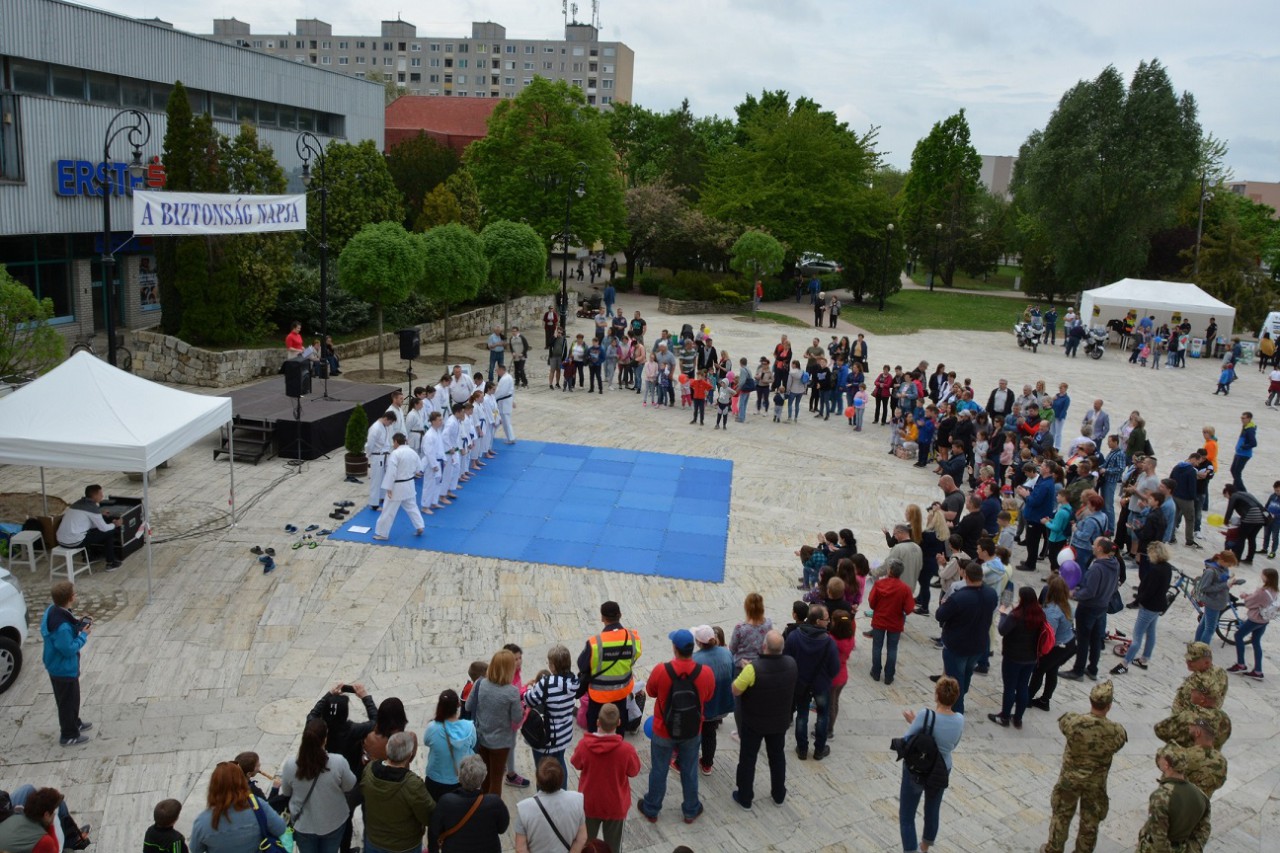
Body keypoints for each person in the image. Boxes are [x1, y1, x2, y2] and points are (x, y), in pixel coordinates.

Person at [638, 629, 715, 824]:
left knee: (659, 770)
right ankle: (691, 809)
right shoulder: (705, 672)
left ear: (675, 648)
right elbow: (708, 696)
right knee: (689, 770)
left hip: (663, 729)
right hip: (692, 730)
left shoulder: (661, 670)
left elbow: (651, 691)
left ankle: (652, 808)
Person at [1041, 680, 1128, 853]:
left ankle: (1053, 849)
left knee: (1061, 815)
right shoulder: (1116, 731)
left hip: (1069, 780)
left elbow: (1063, 724)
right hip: (1095, 784)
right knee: (1090, 822)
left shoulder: (1073, 721)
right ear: (1109, 706)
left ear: (1090, 701)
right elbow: (1118, 744)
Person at [731, 630, 798, 810]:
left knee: (748, 759)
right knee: (777, 758)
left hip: (754, 722)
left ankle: (745, 797)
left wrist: (747, 670)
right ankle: (779, 795)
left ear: (764, 646)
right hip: (779, 722)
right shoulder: (791, 664)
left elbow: (735, 690)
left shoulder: (752, 669)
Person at [897, 677, 964, 853]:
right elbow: (953, 745)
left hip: (918, 769)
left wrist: (914, 722)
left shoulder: (925, 716)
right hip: (941, 769)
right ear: (956, 698)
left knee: (907, 815)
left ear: (936, 695)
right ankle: (925, 847)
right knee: (932, 810)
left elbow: (908, 739)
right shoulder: (959, 720)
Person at [281, 718, 358, 853]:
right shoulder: (338, 762)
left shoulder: (290, 765)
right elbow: (349, 786)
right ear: (325, 739)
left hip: (303, 824)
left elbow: (286, 792)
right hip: (333, 821)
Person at [570, 702, 639, 852]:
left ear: (597, 722)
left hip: (589, 803)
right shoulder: (627, 750)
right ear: (619, 723)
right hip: (615, 805)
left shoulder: (584, 745)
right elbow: (634, 771)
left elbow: (575, 763)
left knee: (586, 846)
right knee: (612, 848)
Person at [934, 562, 997, 715]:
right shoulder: (991, 594)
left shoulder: (959, 597)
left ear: (966, 576)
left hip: (957, 646)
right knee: (967, 672)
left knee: (955, 680)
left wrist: (944, 605)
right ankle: (963, 692)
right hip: (978, 644)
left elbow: (940, 615)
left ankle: (957, 711)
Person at [189, 762, 288, 852]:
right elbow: (280, 829)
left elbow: (195, 849)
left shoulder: (202, 821)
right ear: (241, 781)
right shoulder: (257, 805)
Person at [783, 605, 839, 760]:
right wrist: (825, 678)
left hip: (801, 686)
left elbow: (787, 661)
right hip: (821, 687)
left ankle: (802, 750)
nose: (829, 622)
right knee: (822, 716)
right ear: (818, 621)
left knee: (802, 715)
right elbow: (835, 668)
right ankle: (819, 750)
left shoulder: (794, 636)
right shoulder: (828, 642)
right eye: (827, 619)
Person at [363, 732, 435, 853]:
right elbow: (429, 816)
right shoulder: (413, 785)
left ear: (387, 749)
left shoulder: (369, 770)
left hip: (374, 840)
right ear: (410, 755)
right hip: (404, 846)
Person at [40, 580, 92, 746]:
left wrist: (77, 624)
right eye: (74, 593)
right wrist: (83, 636)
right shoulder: (61, 627)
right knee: (67, 702)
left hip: (59, 666)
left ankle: (74, 722)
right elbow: (68, 649)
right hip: (63, 669)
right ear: (71, 598)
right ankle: (68, 735)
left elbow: (66, 626)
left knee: (72, 699)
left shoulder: (53, 610)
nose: (75, 595)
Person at [465, 649, 523, 796]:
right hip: (500, 744)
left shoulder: (480, 683)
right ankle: (493, 806)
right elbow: (517, 718)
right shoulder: (512, 692)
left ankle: (483, 802)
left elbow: (468, 706)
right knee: (496, 780)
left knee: (485, 777)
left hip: (481, 739)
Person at [988, 586, 1046, 729]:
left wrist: (1003, 614)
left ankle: (1005, 717)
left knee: (1010, 687)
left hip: (1013, 657)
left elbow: (1002, 630)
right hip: (1031, 658)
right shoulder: (1040, 615)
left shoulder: (1016, 615)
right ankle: (1018, 718)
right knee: (1023, 687)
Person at [522, 645, 581, 784]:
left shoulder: (546, 683)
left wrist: (529, 690)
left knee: (542, 770)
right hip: (563, 735)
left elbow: (528, 700)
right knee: (560, 764)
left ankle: (543, 794)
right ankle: (562, 790)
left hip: (546, 736)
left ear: (553, 666)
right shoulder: (574, 682)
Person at [1112, 542, 1174, 674]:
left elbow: (1148, 591)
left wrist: (1138, 601)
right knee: (1151, 633)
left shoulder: (1155, 571)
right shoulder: (1167, 567)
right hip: (1158, 605)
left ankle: (1125, 664)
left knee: (1137, 636)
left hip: (1148, 607)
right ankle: (1144, 659)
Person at [426, 755, 509, 853]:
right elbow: (502, 828)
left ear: (459, 776)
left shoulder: (446, 802)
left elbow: (434, 831)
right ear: (483, 777)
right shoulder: (494, 802)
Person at [1135, 749, 1211, 853]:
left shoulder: (1161, 796)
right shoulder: (1201, 795)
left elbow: (1159, 838)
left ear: (1166, 765)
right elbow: (1203, 830)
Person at [513, 758, 586, 853]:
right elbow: (582, 838)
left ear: (538, 781)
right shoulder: (577, 800)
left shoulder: (524, 809)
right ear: (562, 778)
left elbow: (520, 849)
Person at [1028, 576, 1077, 712]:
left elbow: (1048, 635)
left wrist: (1039, 651)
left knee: (1038, 671)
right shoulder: (1068, 606)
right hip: (1068, 644)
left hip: (1056, 647)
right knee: (1052, 670)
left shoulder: (1052, 611)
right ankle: (1045, 700)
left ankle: (1028, 698)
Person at [691, 625, 734, 775]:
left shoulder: (696, 659)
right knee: (710, 733)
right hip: (721, 705)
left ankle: (687, 759)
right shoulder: (727, 653)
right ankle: (707, 764)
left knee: (695, 733)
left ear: (699, 642)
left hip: (703, 707)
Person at [423, 689, 476, 804]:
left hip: (435, 781)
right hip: (459, 780)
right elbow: (472, 744)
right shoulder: (469, 727)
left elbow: (426, 742)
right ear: (458, 705)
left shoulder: (432, 728)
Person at [56, 484, 123, 570]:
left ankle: (89, 557)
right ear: (94, 496)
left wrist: (99, 514)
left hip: (61, 540)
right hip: (74, 542)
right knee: (109, 532)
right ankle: (111, 563)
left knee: (88, 531)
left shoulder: (77, 504)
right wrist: (115, 524)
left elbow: (86, 524)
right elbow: (104, 528)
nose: (102, 496)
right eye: (100, 494)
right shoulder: (92, 508)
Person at [373, 433, 425, 541]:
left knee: (388, 511)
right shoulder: (412, 452)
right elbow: (419, 469)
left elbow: (391, 472)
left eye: (393, 442)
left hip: (397, 486)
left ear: (396, 441)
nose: (393, 445)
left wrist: (389, 487)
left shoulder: (395, 453)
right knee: (412, 507)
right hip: (410, 485)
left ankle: (382, 534)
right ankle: (420, 526)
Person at [869, 560, 913, 685]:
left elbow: (871, 603)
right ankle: (889, 676)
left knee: (877, 646)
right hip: (895, 622)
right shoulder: (905, 589)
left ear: (889, 570)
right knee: (892, 648)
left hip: (879, 620)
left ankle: (876, 672)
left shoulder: (879, 584)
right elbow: (909, 609)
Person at [1229, 567, 1278, 679]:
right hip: (1264, 620)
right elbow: (1260, 600)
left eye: (1263, 574)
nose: (1261, 576)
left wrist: (1245, 597)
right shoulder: (1274, 590)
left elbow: (1249, 603)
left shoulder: (1262, 591)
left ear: (1267, 577)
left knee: (1238, 636)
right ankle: (1258, 671)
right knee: (1256, 642)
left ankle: (1241, 664)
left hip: (1255, 619)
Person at [1192, 551, 1239, 646]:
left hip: (1218, 601)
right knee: (1210, 629)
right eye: (1229, 564)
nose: (1229, 567)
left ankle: (1196, 646)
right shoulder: (1210, 571)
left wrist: (1229, 580)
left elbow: (1219, 581)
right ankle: (1202, 650)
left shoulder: (1223, 568)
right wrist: (1225, 584)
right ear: (1222, 560)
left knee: (1203, 625)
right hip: (1213, 603)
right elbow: (1204, 588)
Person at [1221, 484, 1267, 563]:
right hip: (1261, 518)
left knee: (1241, 538)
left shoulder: (1234, 496)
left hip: (1250, 517)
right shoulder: (1245, 494)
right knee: (1252, 538)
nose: (1227, 498)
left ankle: (1236, 559)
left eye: (1226, 496)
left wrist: (1226, 521)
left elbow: (1230, 509)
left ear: (1227, 492)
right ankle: (1249, 559)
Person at [1230, 411, 1257, 492]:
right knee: (1233, 470)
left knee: (1237, 472)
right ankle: (1235, 489)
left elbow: (1253, 443)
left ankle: (1243, 491)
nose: (1242, 420)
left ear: (1249, 418)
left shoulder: (1250, 430)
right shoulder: (1245, 426)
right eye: (1241, 418)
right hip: (1239, 453)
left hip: (1244, 454)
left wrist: (1242, 447)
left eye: (1243, 418)